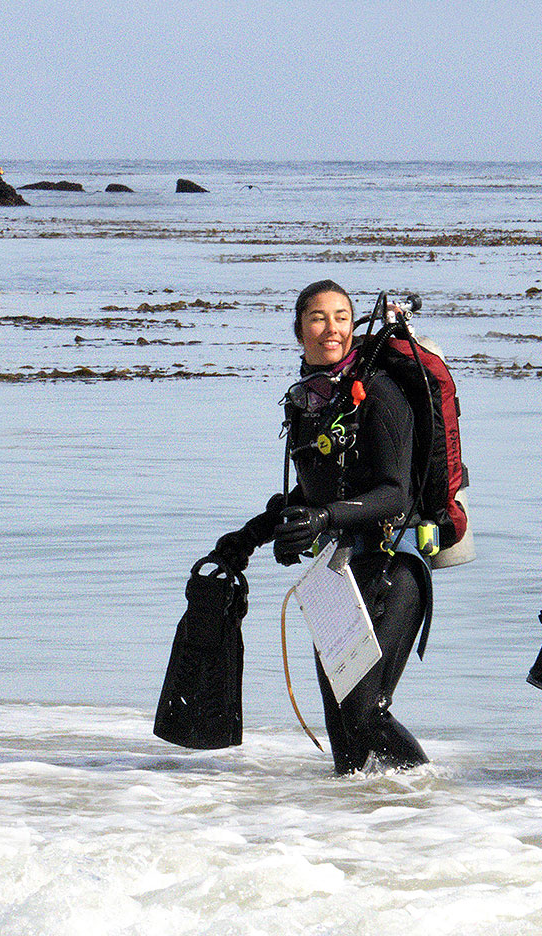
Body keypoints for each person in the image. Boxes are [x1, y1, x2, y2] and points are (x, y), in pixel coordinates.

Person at [196, 280, 431, 773]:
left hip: (393, 567)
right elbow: (313, 491)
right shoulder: (308, 400)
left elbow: (394, 494)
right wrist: (249, 538)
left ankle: (439, 804)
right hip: (337, 579)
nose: (332, 328)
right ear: (298, 330)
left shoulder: (380, 393)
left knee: (366, 715)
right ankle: (356, 837)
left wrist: (323, 518)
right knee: (345, 742)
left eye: (342, 317)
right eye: (319, 318)